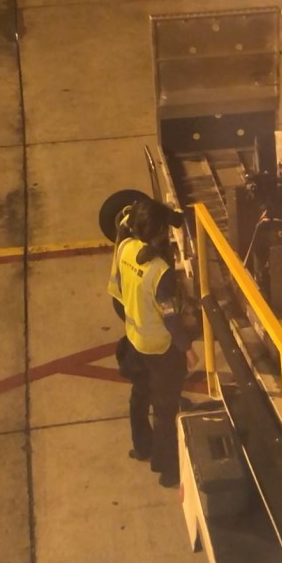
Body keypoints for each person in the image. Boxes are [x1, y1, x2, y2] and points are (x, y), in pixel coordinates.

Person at [108, 198, 197, 488]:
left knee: (138, 396)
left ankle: (141, 446)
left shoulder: (125, 248)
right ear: (159, 231)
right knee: (165, 408)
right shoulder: (161, 273)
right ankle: (166, 468)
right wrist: (187, 348)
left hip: (135, 340)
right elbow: (171, 318)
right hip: (161, 349)